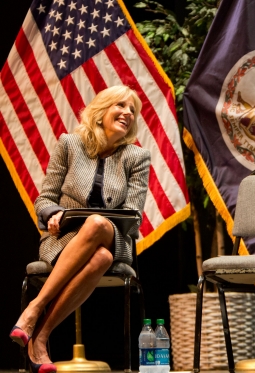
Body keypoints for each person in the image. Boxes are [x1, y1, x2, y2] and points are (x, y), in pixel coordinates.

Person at [9, 85, 151, 373]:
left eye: (132, 110)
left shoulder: (137, 158)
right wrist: (52, 213)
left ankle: (34, 308)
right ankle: (40, 339)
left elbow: (134, 216)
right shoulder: (69, 145)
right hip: (66, 239)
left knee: (99, 224)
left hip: (116, 239)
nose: (127, 113)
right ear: (101, 111)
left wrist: (106, 222)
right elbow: (45, 198)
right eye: (120, 105)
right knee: (101, 259)